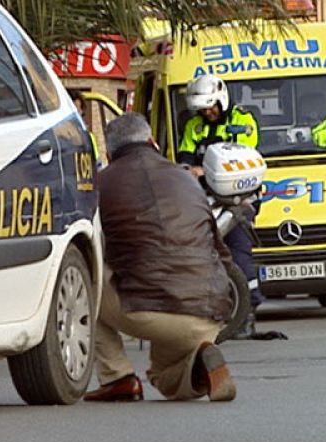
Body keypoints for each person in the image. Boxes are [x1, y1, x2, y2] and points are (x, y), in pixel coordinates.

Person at [84, 112, 236, 403]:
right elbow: (222, 252)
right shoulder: (186, 178)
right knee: (164, 376)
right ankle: (202, 355)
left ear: (108, 152)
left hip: (148, 309)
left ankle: (118, 377)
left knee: (80, 277)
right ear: (152, 141)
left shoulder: (100, 185)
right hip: (209, 310)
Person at [177, 74, 267, 340]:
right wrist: (186, 169)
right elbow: (184, 157)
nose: (208, 112)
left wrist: (200, 171)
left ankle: (249, 310)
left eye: (211, 106)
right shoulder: (194, 125)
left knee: (238, 250)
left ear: (221, 98)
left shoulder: (243, 120)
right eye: (203, 109)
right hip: (205, 198)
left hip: (241, 197)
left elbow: (242, 158)